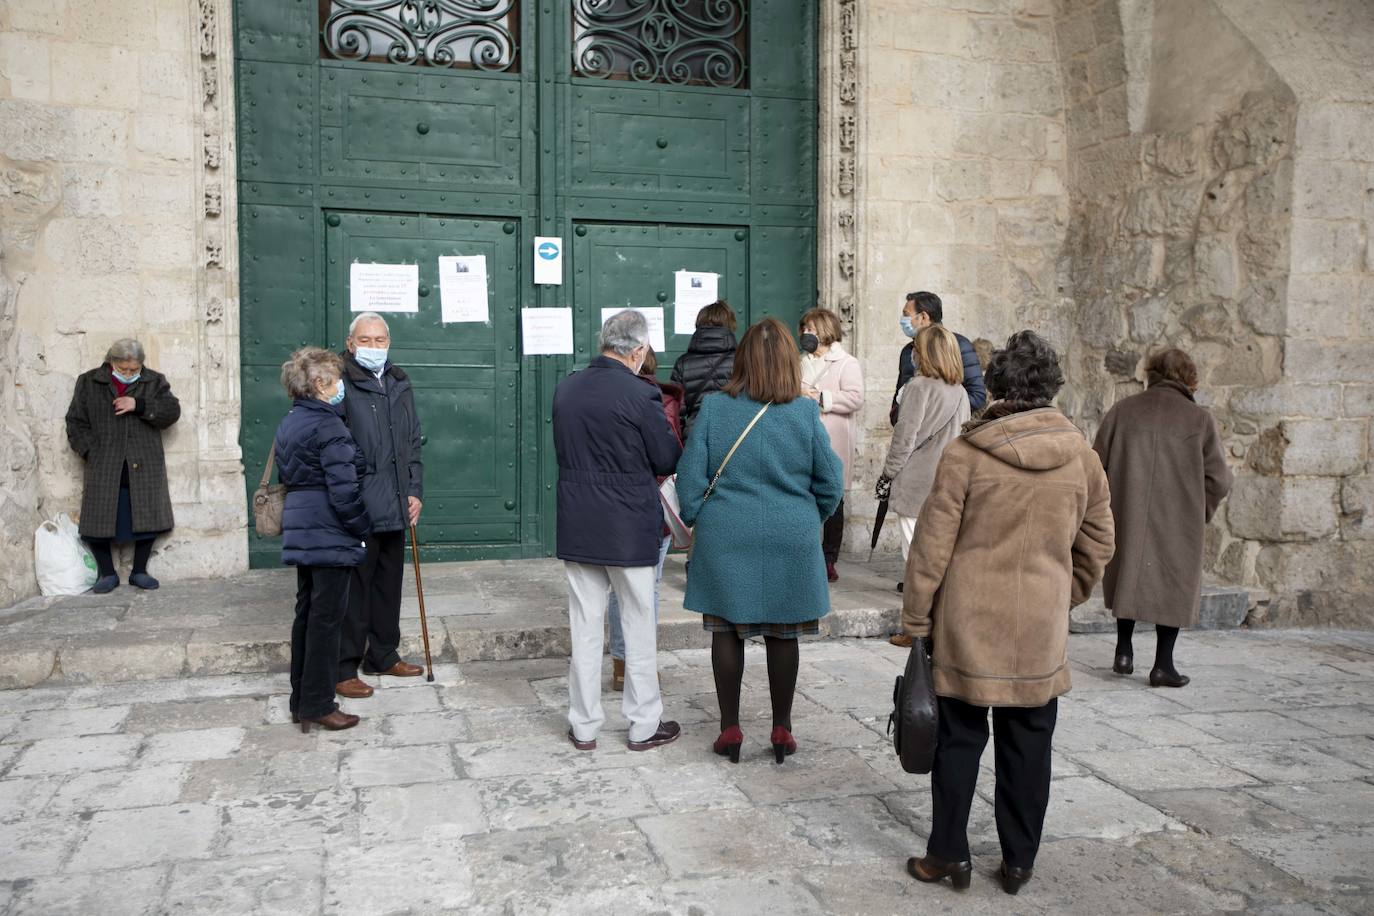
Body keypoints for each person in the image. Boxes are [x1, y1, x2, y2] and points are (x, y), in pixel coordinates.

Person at [901, 331, 1114, 895]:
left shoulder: (967, 454)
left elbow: (931, 548)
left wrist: (917, 620)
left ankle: (948, 854)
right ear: (1051, 387)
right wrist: (1063, 595)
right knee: (1029, 745)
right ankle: (1019, 861)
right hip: (1038, 629)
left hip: (968, 623)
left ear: (995, 385)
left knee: (959, 742)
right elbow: (1098, 540)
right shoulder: (1082, 457)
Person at [677, 317, 844, 765]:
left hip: (726, 533)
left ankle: (730, 727)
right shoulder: (805, 412)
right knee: (783, 632)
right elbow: (830, 482)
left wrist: (699, 519)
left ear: (742, 359)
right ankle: (781, 729)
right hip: (791, 535)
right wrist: (810, 519)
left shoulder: (714, 407)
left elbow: (690, 479)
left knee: (727, 630)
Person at [553, 311, 683, 752]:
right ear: (639, 350)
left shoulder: (566, 388)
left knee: (584, 626)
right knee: (638, 623)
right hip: (628, 522)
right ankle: (644, 724)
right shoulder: (640, 393)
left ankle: (584, 725)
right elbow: (665, 457)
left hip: (579, 519)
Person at [1093, 348, 1233, 688]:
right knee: (1172, 585)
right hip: (1178, 519)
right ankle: (1163, 665)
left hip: (1126, 513)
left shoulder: (1122, 411)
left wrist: (1107, 507)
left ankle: (1123, 650)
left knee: (1127, 572)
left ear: (1151, 373)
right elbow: (1220, 480)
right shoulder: (1198, 419)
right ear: (1189, 377)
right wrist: (1198, 511)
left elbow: (1095, 466)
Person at [274, 347, 372, 732]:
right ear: (319, 384)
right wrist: (361, 527)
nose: (341, 386)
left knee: (307, 616)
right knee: (326, 621)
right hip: (328, 529)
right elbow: (344, 490)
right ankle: (317, 703)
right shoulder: (327, 424)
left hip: (304, 526)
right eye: (337, 379)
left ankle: (301, 699)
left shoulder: (292, 421)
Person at [335, 312, 425, 701]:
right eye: (366, 340)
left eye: (380, 340)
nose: (374, 347)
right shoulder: (339, 383)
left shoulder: (399, 382)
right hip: (358, 503)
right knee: (353, 588)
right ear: (351, 343)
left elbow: (413, 441)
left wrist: (415, 489)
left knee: (389, 583)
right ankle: (343, 666)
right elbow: (334, 445)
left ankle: (383, 654)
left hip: (395, 499)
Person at [65, 338, 181, 594]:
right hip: (104, 461)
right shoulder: (89, 382)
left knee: (146, 514)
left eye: (134, 369)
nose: (129, 373)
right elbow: (75, 421)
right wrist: (90, 451)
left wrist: (138, 405)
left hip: (143, 461)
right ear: (111, 362)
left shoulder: (154, 381)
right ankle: (107, 573)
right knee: (99, 517)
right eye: (123, 369)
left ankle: (139, 571)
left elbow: (171, 412)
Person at [878, 326, 971, 638]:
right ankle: (944, 626)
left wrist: (887, 474)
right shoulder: (960, 391)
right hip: (948, 480)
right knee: (941, 558)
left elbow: (905, 438)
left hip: (917, 481)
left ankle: (917, 630)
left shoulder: (919, 387)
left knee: (915, 560)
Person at [607, 347, 684, 692]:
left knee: (617, 587)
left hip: (617, 503)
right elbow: (667, 455)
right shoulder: (661, 401)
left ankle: (623, 665)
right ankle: (640, 664)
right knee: (646, 587)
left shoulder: (610, 396)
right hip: (651, 506)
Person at [799, 307, 864, 583]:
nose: (805, 334)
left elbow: (855, 398)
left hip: (832, 440)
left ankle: (828, 558)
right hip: (803, 438)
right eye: (804, 329)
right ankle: (805, 555)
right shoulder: (800, 362)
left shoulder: (846, 363)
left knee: (834, 499)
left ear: (825, 331)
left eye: (811, 329)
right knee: (803, 498)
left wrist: (819, 396)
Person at [890, 291, 986, 424]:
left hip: (950, 434)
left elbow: (977, 396)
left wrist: (935, 417)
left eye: (906, 315)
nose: (902, 320)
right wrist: (898, 417)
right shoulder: (907, 352)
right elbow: (899, 396)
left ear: (923, 317)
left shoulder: (959, 345)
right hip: (913, 436)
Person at [671, 299, 737, 435]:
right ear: (730, 325)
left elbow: (676, 412)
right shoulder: (741, 360)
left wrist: (686, 435)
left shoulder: (683, 362)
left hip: (695, 435)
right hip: (734, 436)